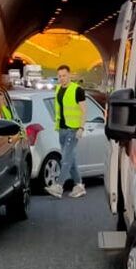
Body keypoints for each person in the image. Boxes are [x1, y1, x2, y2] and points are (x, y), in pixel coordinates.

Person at [48, 64, 86, 198]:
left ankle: (59, 186)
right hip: (62, 129)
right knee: (71, 158)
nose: (62, 78)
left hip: (73, 129)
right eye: (59, 76)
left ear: (69, 75)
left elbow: (84, 111)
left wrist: (81, 128)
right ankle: (79, 185)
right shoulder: (58, 89)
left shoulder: (77, 90)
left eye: (64, 75)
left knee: (65, 158)